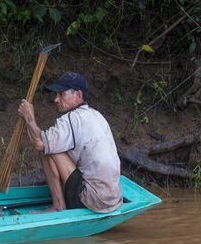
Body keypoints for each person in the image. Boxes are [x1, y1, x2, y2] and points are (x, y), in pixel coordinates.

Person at [18, 71, 123, 213]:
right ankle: (63, 200)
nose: (56, 99)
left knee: (47, 149)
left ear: (78, 95)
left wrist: (29, 118)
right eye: (56, 95)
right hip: (114, 198)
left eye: (61, 94)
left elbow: (39, 143)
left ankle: (58, 206)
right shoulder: (96, 115)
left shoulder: (71, 119)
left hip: (92, 201)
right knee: (53, 145)